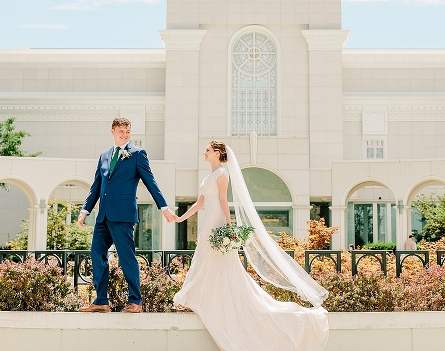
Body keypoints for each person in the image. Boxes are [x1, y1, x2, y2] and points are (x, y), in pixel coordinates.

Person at [172, 141, 329, 351]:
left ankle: (208, 300)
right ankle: (200, 297)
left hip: (217, 221)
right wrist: (180, 218)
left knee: (219, 263)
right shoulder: (207, 177)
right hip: (208, 223)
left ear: (218, 153)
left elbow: (222, 201)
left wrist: (228, 228)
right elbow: (200, 203)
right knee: (205, 258)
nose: (205, 152)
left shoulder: (221, 175)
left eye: (208, 150)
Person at [76, 117, 177, 313]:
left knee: (126, 257)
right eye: (121, 130)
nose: (125, 134)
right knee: (96, 252)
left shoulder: (138, 154)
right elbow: (97, 185)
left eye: (128, 131)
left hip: (123, 214)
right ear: (112, 131)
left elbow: (151, 182)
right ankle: (101, 300)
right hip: (103, 214)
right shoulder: (104, 156)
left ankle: (136, 301)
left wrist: (164, 207)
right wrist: (85, 209)